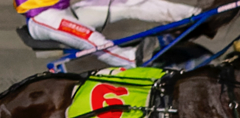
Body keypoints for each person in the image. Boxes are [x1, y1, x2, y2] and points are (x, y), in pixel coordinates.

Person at [16, 0, 201, 67]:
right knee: (88, 37)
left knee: (127, 3)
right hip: (42, 18)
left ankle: (194, 15)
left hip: (66, 12)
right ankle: (130, 59)